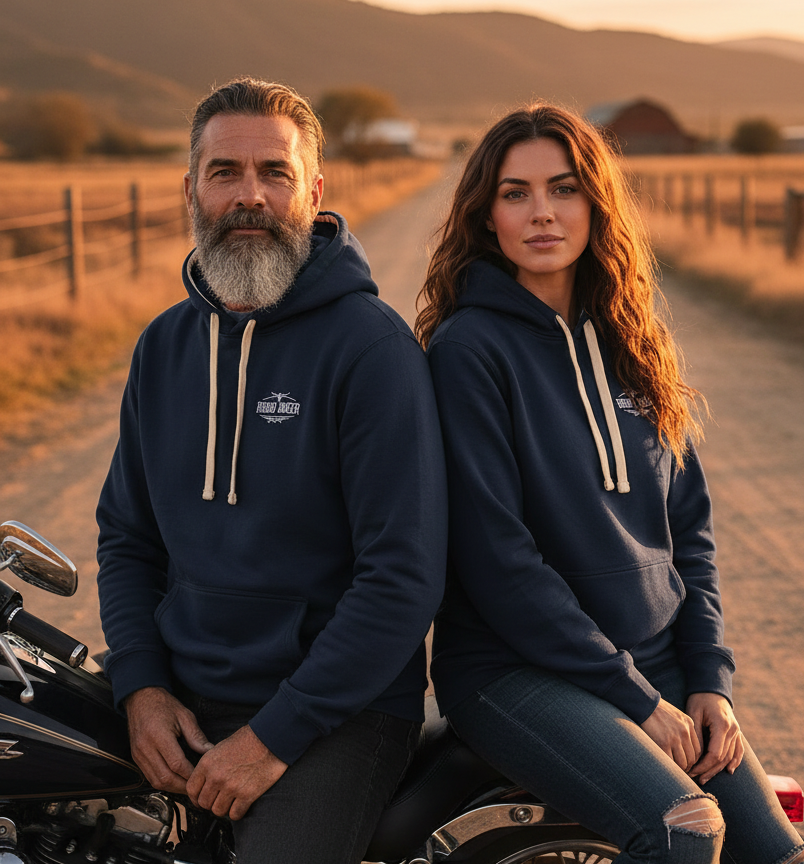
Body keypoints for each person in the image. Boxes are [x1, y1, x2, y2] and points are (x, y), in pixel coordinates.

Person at [417, 104, 804, 864]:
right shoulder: (467, 351)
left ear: (596, 204)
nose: (542, 212)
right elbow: (497, 562)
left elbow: (690, 535)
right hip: (517, 671)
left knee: (789, 860)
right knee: (683, 829)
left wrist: (709, 680)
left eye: (564, 189)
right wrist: (634, 698)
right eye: (515, 193)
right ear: (487, 217)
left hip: (658, 660)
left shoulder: (632, 340)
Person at [96, 77, 446, 863]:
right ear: (191, 189)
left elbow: (402, 578)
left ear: (312, 190)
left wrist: (271, 738)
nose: (248, 196)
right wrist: (143, 690)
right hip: (185, 697)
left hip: (337, 714)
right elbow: (126, 539)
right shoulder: (163, 348)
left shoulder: (372, 351)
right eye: (225, 173)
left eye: (274, 173)